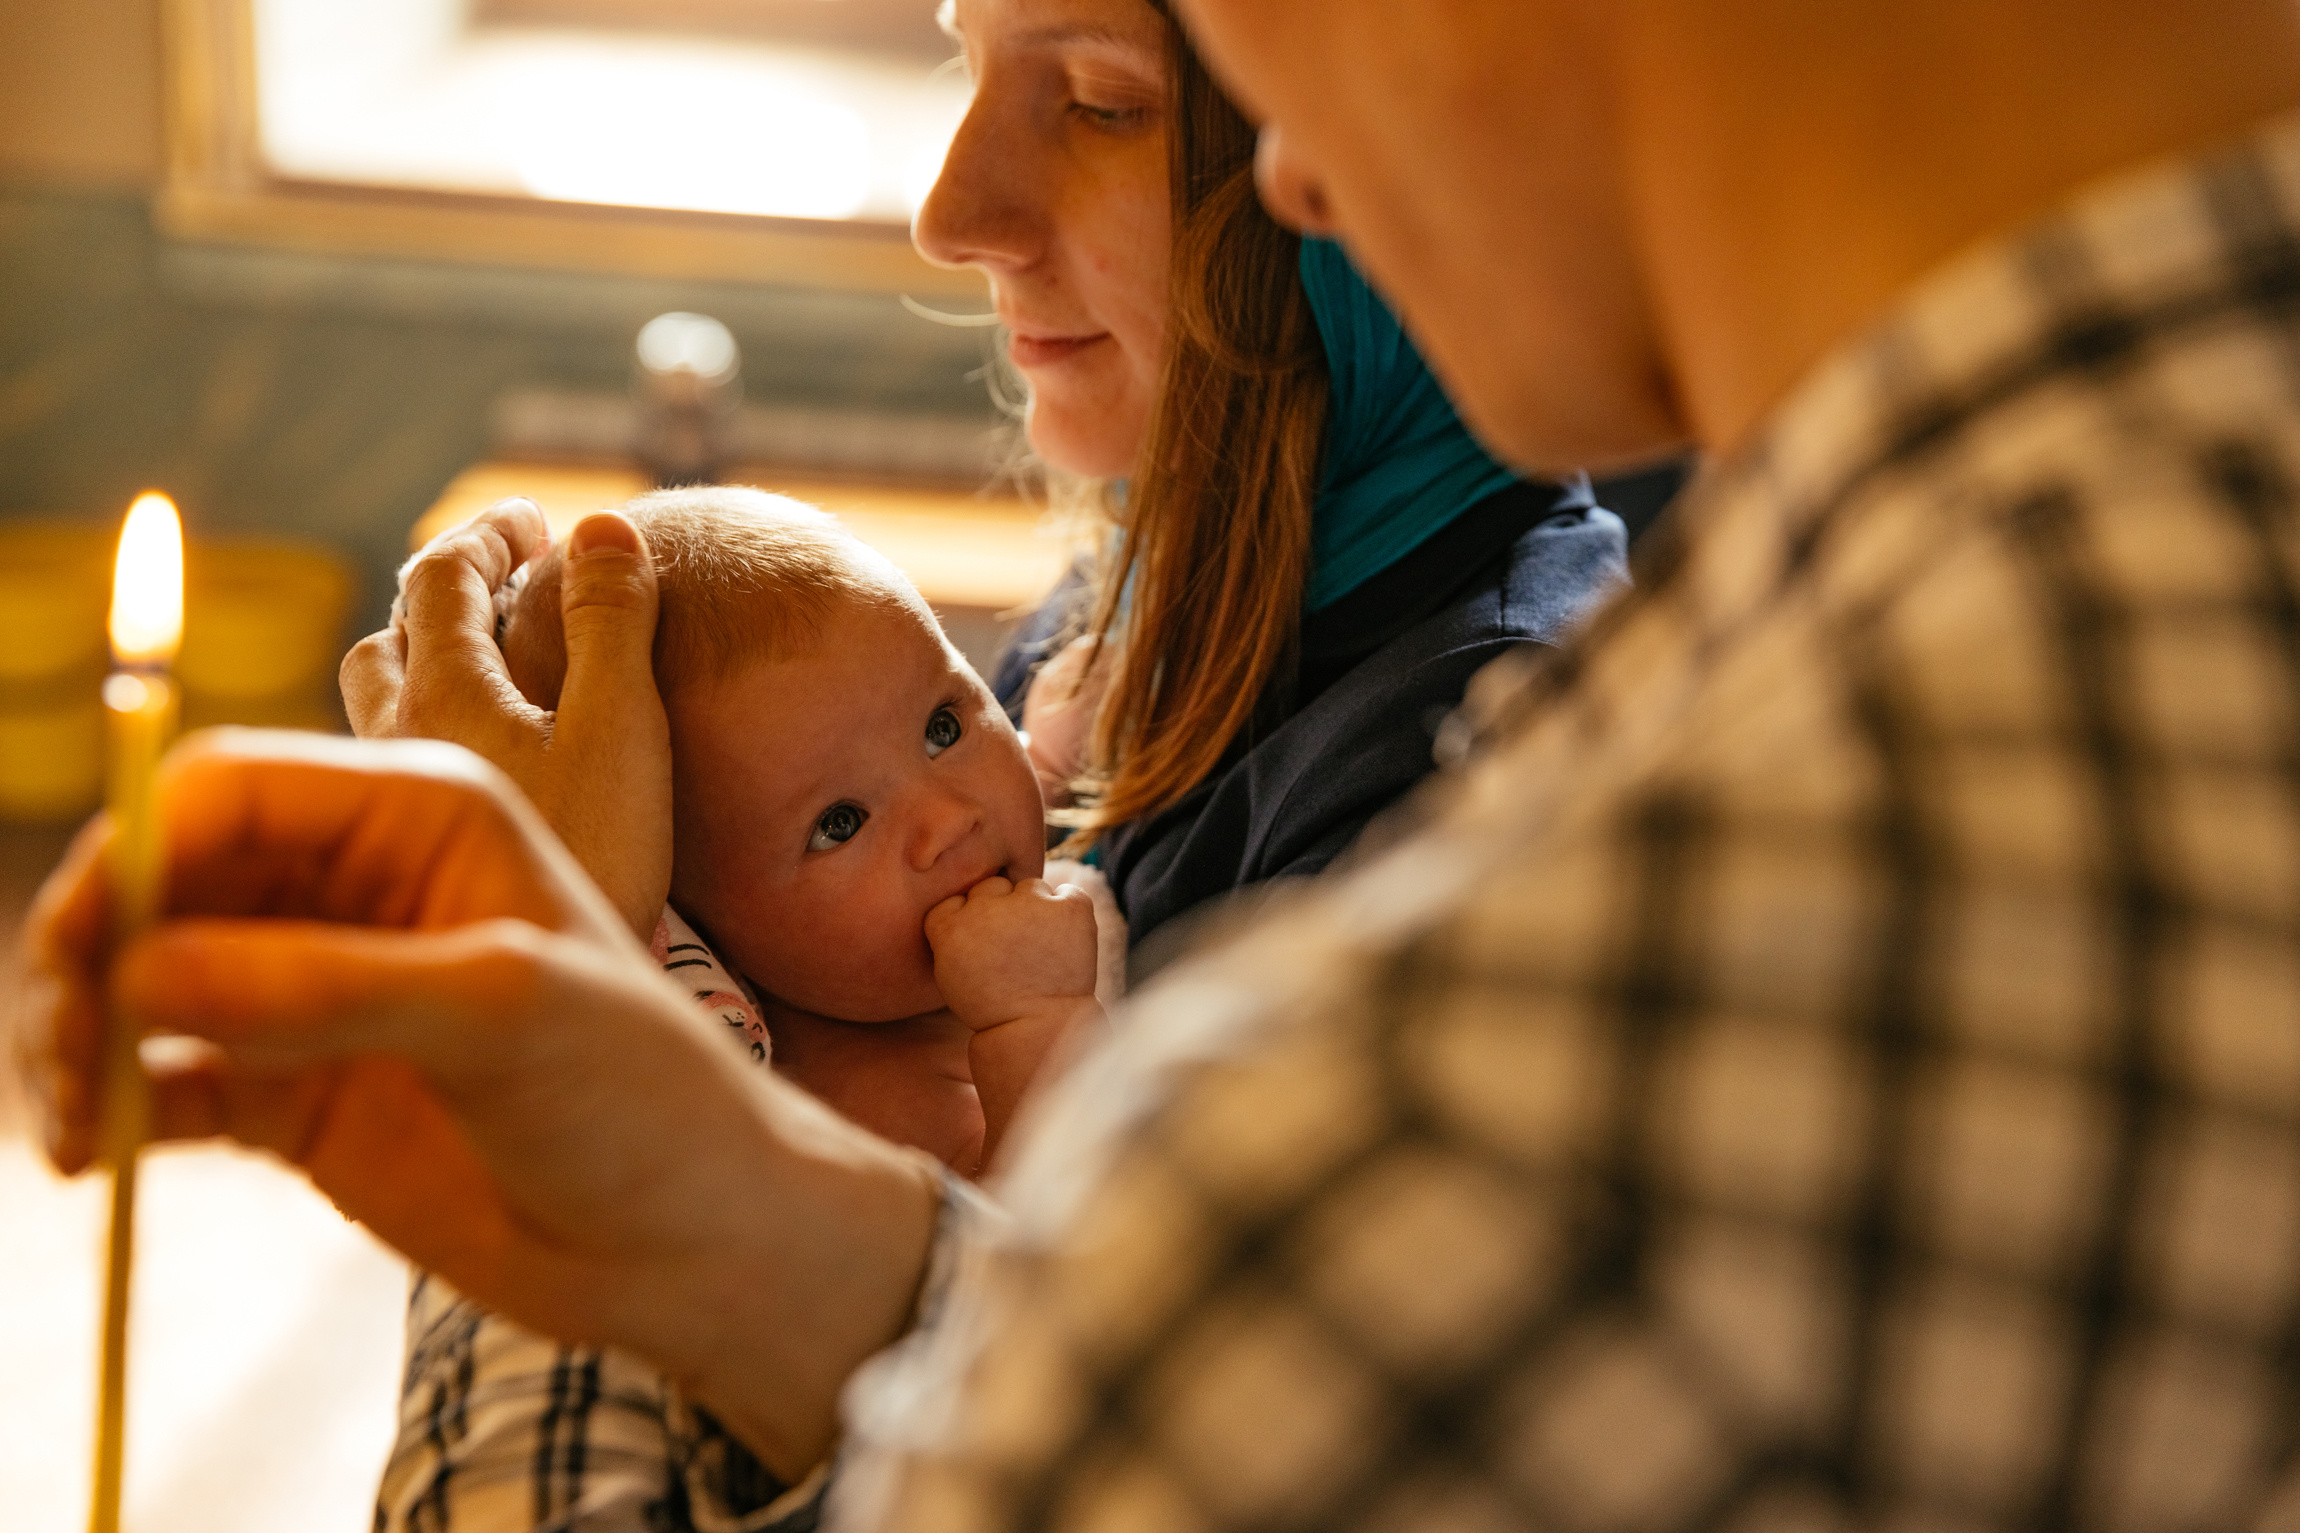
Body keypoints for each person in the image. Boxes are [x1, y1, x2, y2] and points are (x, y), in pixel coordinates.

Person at [28, 0, 2300, 1529]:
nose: (1298, 156)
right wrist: (714, 1192)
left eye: (1136, 80)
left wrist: (562, 1012)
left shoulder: (1465, 1089)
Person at [382, 485, 1122, 1530]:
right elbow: (1050, 1301)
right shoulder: (808, 1099)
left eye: (944, 723)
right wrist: (1036, 1025)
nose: (949, 819)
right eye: (839, 823)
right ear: (691, 915)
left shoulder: (1038, 897)